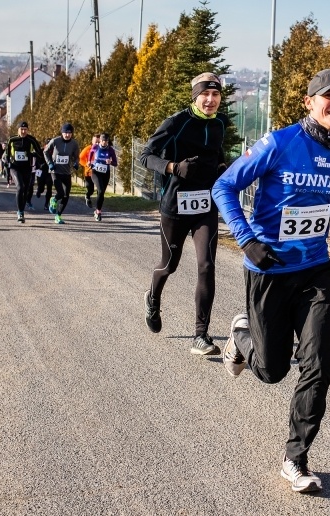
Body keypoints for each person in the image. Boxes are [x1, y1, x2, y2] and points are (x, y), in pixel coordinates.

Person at [212, 69, 330, 493]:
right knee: (270, 371)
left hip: (315, 270)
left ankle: (295, 459)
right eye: (329, 97)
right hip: (268, 269)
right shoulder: (280, 143)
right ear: (310, 102)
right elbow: (224, 186)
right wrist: (246, 241)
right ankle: (240, 336)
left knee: (320, 364)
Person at [139, 72, 231, 357]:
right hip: (175, 205)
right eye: (206, 94)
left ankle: (200, 335)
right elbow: (145, 155)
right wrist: (173, 168)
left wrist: (222, 168)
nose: (211, 100)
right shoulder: (176, 122)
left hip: (205, 204)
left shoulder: (219, 124)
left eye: (216, 95)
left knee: (207, 265)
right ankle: (153, 298)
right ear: (196, 96)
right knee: (169, 265)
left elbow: (217, 155)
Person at [4, 121, 44, 223]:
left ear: (27, 130)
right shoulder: (12, 140)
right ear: (18, 130)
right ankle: (20, 212)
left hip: (27, 168)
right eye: (21, 129)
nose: (23, 131)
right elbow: (7, 155)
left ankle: (21, 209)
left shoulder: (31, 140)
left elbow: (39, 153)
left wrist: (32, 155)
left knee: (25, 191)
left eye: (25, 129)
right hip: (15, 167)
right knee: (20, 187)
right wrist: (8, 165)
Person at [43, 123, 80, 224]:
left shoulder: (74, 144)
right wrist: (50, 163)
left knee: (66, 195)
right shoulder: (55, 141)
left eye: (69, 133)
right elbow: (45, 152)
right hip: (55, 171)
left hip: (66, 172)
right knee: (60, 192)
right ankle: (53, 200)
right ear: (62, 132)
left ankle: (58, 216)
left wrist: (76, 163)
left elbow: (76, 156)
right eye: (65, 132)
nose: (67, 135)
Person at [87, 133, 118, 221]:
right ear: (100, 140)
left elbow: (115, 163)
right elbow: (90, 155)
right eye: (103, 141)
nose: (104, 143)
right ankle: (98, 212)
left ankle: (97, 210)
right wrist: (89, 162)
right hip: (95, 172)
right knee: (100, 190)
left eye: (106, 141)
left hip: (105, 173)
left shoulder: (110, 150)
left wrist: (110, 162)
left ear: (108, 141)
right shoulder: (95, 147)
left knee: (101, 193)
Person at [78, 135, 98, 207]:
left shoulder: (101, 149)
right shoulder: (88, 149)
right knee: (90, 189)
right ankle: (88, 196)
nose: (97, 144)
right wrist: (86, 165)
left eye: (99, 142)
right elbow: (80, 158)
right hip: (89, 173)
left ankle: (98, 205)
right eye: (96, 142)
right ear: (92, 141)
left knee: (100, 189)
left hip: (99, 173)